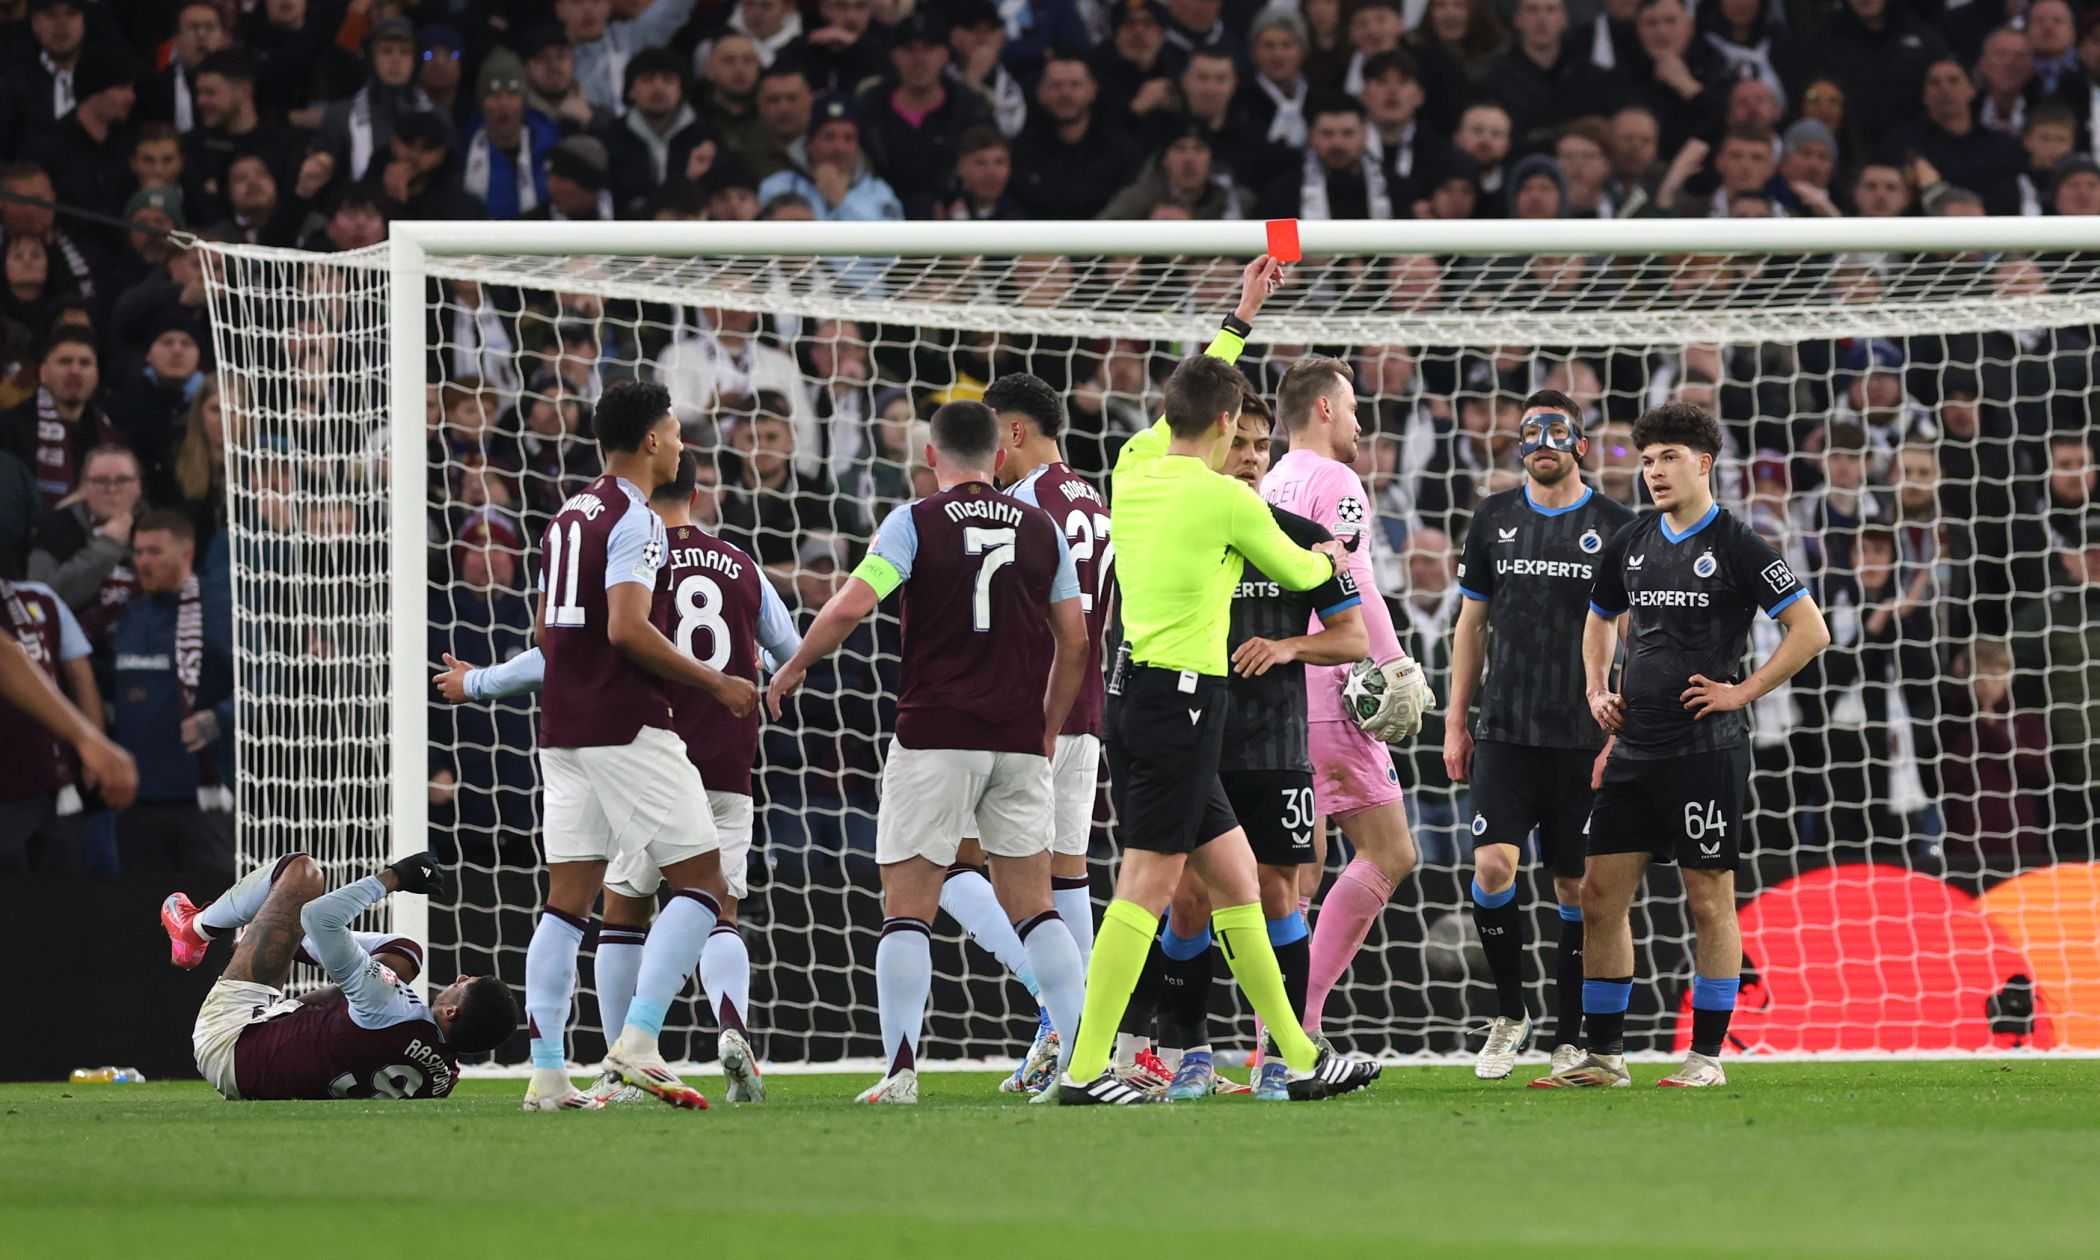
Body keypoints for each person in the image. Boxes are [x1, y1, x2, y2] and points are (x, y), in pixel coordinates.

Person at [1056, 256, 1378, 1104]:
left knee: (1236, 882)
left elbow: (1195, 393)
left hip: (1136, 693)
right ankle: (1088, 1069)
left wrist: (1240, 317)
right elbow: (1308, 579)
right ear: (1231, 422)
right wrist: (1328, 554)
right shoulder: (1227, 501)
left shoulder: (1132, 464)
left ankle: (1300, 1058)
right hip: (1183, 703)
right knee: (1148, 884)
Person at [437, 451, 802, 1105]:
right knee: (717, 901)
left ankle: (564, 1070)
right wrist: (750, 683)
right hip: (693, 750)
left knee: (604, 912)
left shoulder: (582, 524)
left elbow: (559, 650)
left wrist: (480, 682)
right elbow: (788, 646)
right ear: (698, 494)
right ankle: (680, 1037)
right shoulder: (732, 563)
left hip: (594, 737)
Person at [765, 400, 1091, 1105]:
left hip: (936, 735)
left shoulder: (913, 522)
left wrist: (794, 666)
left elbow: (854, 604)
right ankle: (1082, 1066)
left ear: (930, 460)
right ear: (998, 458)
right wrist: (1047, 724)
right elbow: (1076, 638)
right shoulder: (1041, 529)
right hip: (1017, 741)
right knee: (1037, 909)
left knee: (907, 909)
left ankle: (902, 1071)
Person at [1536, 402, 1830, 1090]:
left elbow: (1810, 631)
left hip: (1707, 750)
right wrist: (1594, 685)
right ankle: (1605, 1058)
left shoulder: (1738, 544)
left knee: (1708, 899)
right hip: (1635, 749)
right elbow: (1600, 616)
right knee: (1601, 897)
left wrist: (1740, 691)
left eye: (1667, 458)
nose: (1654, 472)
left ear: (1702, 464)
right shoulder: (1632, 539)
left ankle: (1706, 1058)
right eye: (1645, 460)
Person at [517, 380, 758, 1113]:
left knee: (565, 906)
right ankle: (639, 1042)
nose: (683, 444)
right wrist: (716, 684)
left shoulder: (569, 513)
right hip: (625, 724)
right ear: (652, 439)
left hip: (561, 727)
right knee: (705, 885)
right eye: (677, 431)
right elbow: (625, 627)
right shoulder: (635, 517)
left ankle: (549, 1076)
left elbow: (544, 633)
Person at [1144, 389, 1368, 1101]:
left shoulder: (1300, 533)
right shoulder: (1183, 527)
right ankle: (1191, 1054)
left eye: (1258, 447)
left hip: (1274, 743)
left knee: (1278, 890)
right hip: (1193, 738)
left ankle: (1281, 1056)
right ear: (1210, 442)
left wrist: (1288, 646)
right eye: (1237, 442)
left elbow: (1353, 637)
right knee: (1186, 899)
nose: (1247, 458)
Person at [1444, 390, 1636, 1080]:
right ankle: (1508, 1012)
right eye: (1532, 433)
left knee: (1576, 892)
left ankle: (1566, 1032)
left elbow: (1634, 634)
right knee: (1493, 866)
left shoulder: (1616, 524)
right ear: (1518, 445)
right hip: (1505, 729)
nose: (1544, 442)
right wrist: (1455, 719)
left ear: (1581, 444)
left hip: (1584, 734)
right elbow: (1471, 626)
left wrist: (1626, 719)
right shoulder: (1493, 517)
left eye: (1558, 432)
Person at [1261, 356, 1432, 1037]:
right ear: (1325, 409)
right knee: (1391, 853)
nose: (1361, 421)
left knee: (1300, 874)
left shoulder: (1270, 479)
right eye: (1353, 405)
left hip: (1280, 689)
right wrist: (1392, 665)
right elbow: (1350, 579)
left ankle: (1274, 1039)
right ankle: (1298, 1024)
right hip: (1331, 678)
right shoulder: (1336, 479)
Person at [160, 850, 518, 1100]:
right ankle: (284, 943)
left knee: (302, 873)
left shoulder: (388, 1004)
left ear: (453, 1012)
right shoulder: (444, 1078)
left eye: (465, 985)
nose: (459, 978)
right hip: (259, 1077)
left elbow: (319, 916)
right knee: (406, 955)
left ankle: (194, 929)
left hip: (230, 1041)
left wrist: (395, 877)